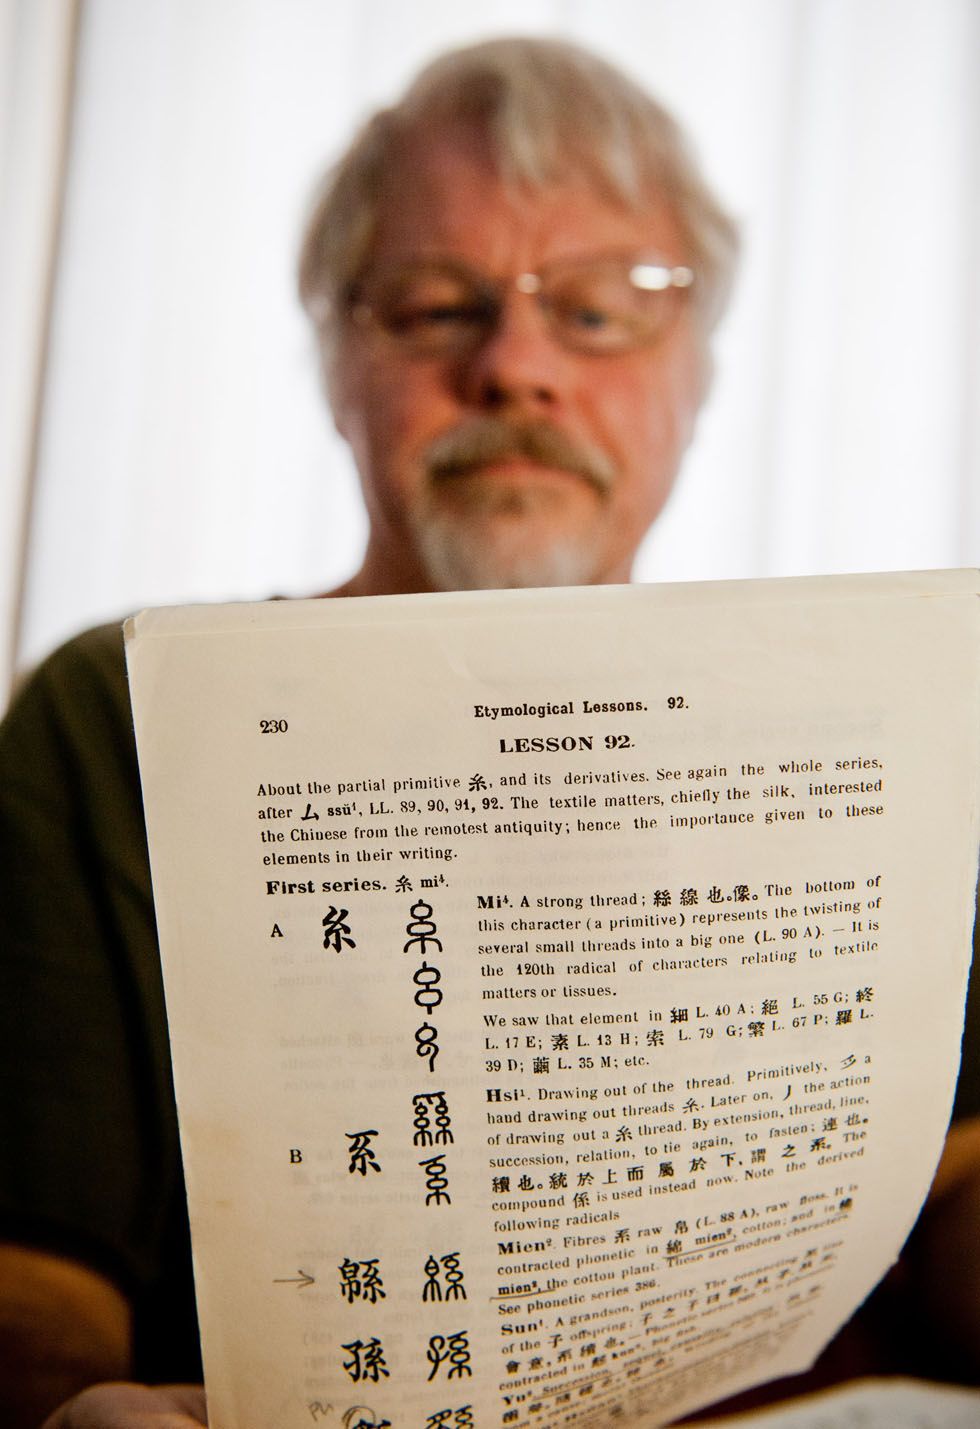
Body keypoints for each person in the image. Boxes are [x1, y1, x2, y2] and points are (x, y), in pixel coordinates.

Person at [0, 35, 976, 1429]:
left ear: (696, 373)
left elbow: (957, 1187)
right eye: (437, 304)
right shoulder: (116, 719)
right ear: (336, 357)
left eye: (600, 309)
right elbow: (34, 1285)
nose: (517, 366)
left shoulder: (865, 732)